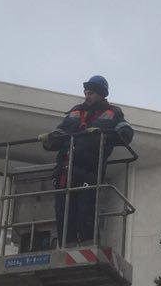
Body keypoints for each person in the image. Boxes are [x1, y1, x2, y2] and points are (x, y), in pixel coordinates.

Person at [40, 75, 133, 247]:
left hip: (88, 171)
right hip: (64, 172)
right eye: (86, 92)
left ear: (101, 94)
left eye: (91, 92)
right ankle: (67, 247)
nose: (87, 95)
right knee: (64, 214)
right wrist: (50, 139)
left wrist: (104, 135)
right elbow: (60, 134)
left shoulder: (112, 113)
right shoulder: (75, 112)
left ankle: (89, 246)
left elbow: (125, 133)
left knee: (85, 212)